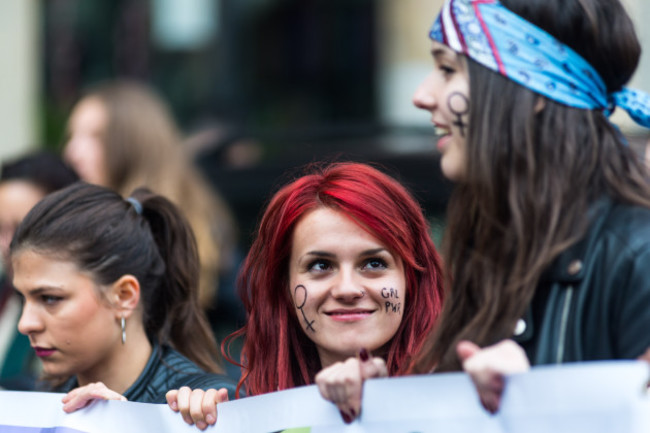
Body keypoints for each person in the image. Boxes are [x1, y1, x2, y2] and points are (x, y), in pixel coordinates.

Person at [317, 0, 650, 419]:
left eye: (448, 69)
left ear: (534, 90)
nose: (422, 96)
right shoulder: (492, 248)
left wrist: (540, 402)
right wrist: (387, 409)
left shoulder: (637, 254)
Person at [165, 162, 445, 429]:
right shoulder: (261, 416)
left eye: (374, 263)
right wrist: (203, 423)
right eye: (320, 266)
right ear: (284, 288)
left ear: (411, 280)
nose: (347, 289)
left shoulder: (473, 397)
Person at [10, 182, 236, 411]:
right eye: (23, 298)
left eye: (50, 298)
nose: (25, 324)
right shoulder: (42, 404)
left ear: (124, 296)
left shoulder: (203, 408)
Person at [62, 80, 237, 311]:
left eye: (95, 137)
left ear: (135, 145)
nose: (72, 152)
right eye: (72, 136)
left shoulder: (175, 232)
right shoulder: (77, 223)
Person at [0, 151, 78, 390]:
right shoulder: (5, 294)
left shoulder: (80, 313)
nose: (6, 244)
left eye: (21, 228)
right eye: (0, 228)